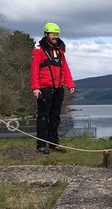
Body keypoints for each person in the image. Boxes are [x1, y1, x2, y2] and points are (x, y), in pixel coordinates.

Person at [31, 22, 75, 154]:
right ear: (46, 34)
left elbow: (65, 68)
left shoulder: (60, 51)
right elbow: (34, 70)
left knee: (55, 116)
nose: (55, 36)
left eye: (57, 34)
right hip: (44, 88)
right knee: (44, 116)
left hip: (58, 88)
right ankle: (41, 144)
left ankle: (53, 143)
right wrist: (35, 87)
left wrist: (70, 84)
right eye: (53, 34)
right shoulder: (38, 51)